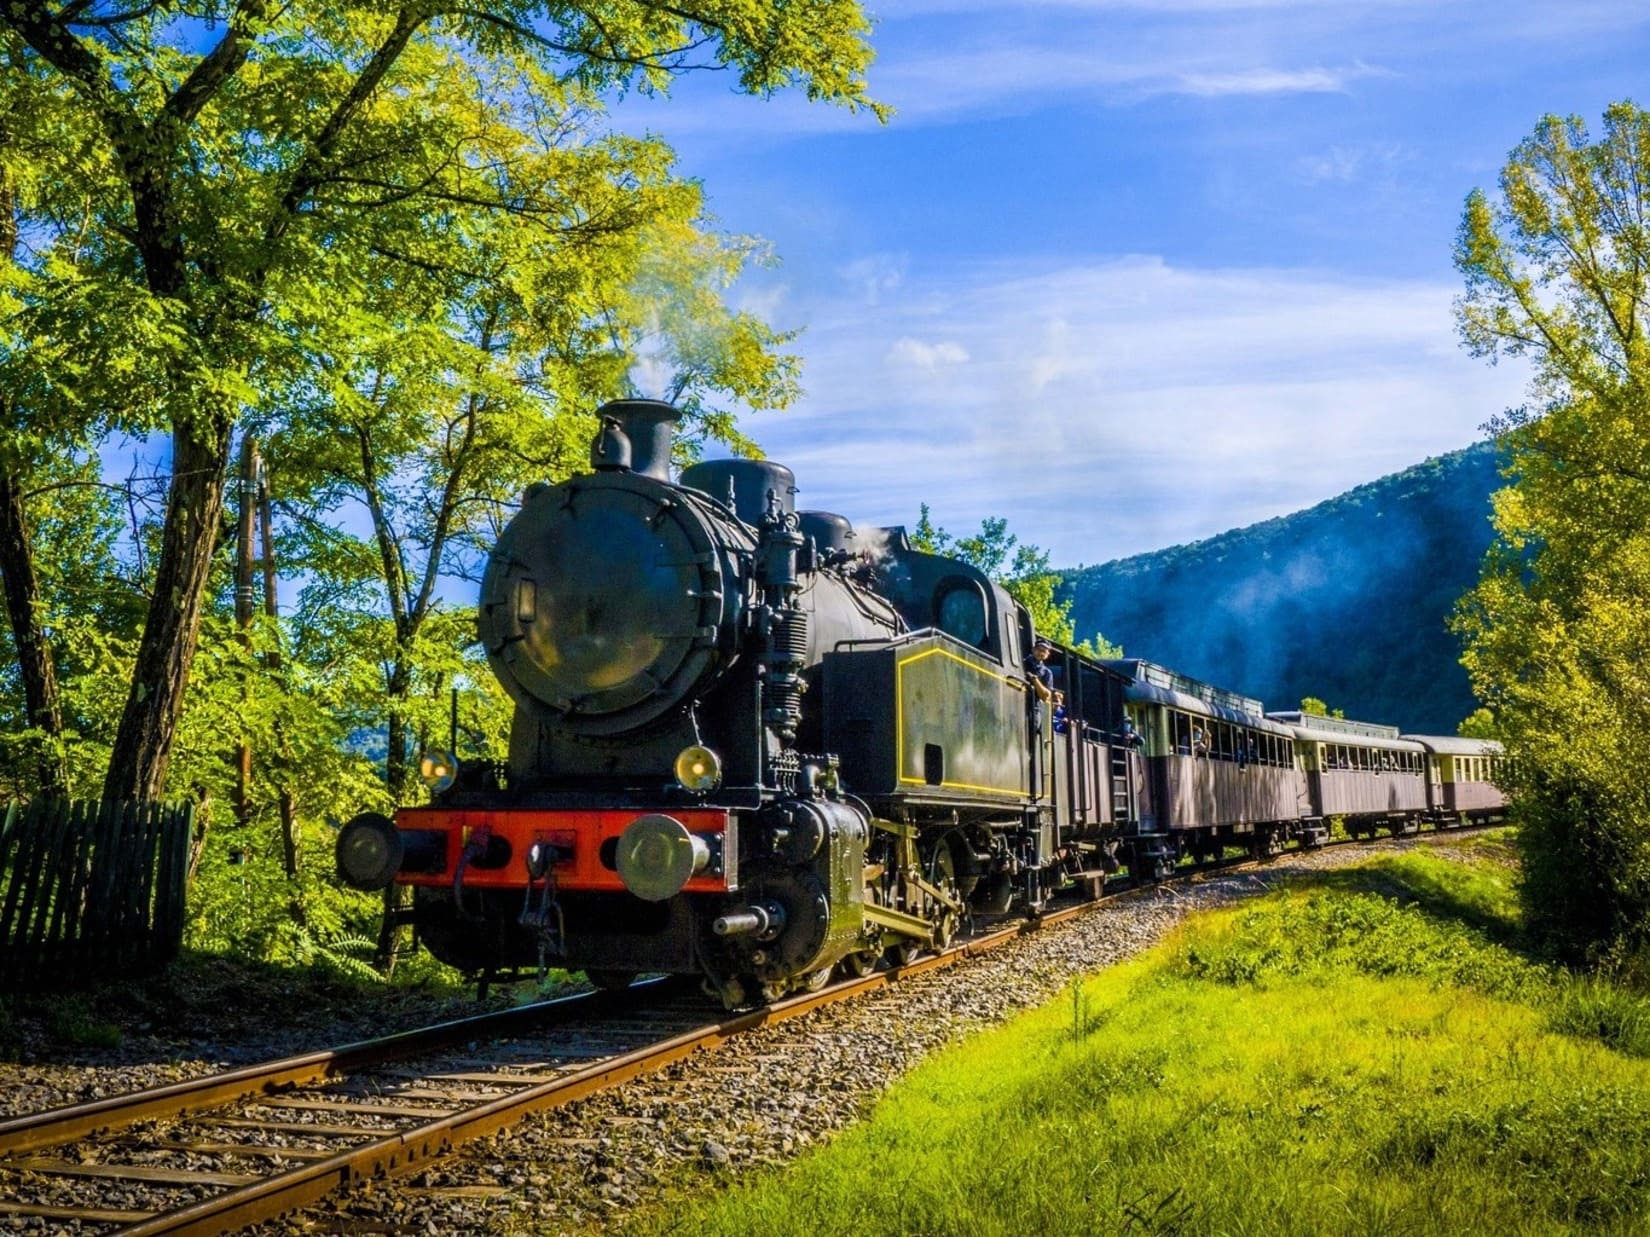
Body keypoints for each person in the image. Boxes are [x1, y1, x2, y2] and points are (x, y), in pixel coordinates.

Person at [1024, 636, 1055, 703]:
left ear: (1048, 654)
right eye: (1039, 649)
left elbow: (1045, 697)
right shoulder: (1023, 663)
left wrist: (1035, 680)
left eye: (1044, 651)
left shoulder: (1047, 672)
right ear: (1033, 649)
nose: (1041, 653)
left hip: (1032, 708)